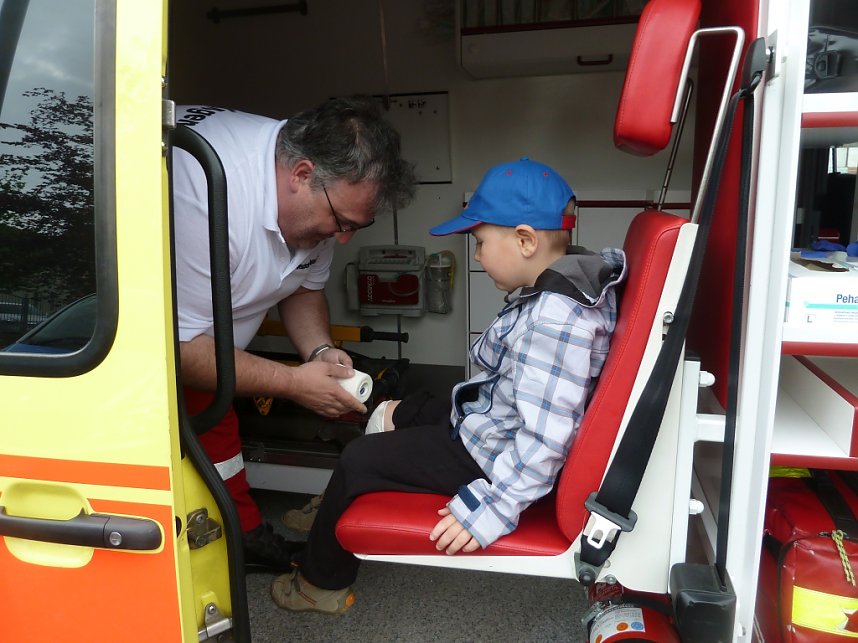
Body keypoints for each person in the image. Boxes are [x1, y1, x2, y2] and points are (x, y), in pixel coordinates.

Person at [270, 157, 627, 613]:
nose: (476, 255)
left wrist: (494, 509)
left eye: (479, 243)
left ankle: (319, 584)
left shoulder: (555, 321)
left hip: (490, 456)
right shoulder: (563, 287)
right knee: (410, 406)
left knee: (358, 459)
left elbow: (546, 436)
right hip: (493, 420)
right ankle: (339, 500)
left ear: (525, 240)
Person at [171, 97, 417, 571]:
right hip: (125, 344)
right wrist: (292, 384)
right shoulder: (201, 188)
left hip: (209, 347)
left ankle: (239, 535)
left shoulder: (314, 211)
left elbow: (304, 287)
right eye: (341, 222)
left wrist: (321, 351)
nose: (343, 238)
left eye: (355, 227)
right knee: (190, 419)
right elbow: (178, 352)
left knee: (215, 416)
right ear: (301, 175)